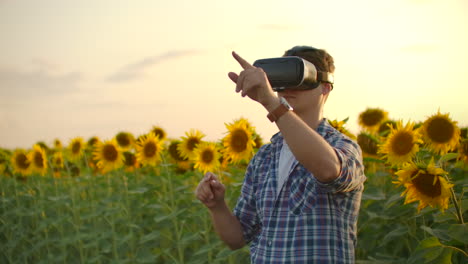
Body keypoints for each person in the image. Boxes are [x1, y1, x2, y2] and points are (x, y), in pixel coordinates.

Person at [195, 46, 366, 263]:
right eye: (281, 81)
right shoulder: (265, 157)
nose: (287, 88)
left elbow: (329, 170)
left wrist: (270, 102)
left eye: (300, 80)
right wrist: (216, 205)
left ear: (325, 88)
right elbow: (237, 238)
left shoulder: (342, 146)